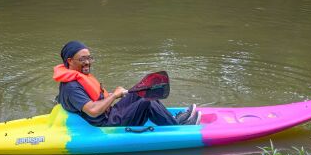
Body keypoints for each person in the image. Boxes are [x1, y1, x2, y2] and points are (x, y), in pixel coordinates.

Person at [54, 41, 201, 127]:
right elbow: (93, 110)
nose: (87, 62)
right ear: (69, 61)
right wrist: (114, 96)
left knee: (142, 92)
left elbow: (95, 100)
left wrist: (114, 95)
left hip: (109, 114)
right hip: (106, 123)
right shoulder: (72, 87)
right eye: (82, 59)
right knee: (146, 103)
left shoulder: (78, 77)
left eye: (89, 58)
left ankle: (170, 119)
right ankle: (177, 128)